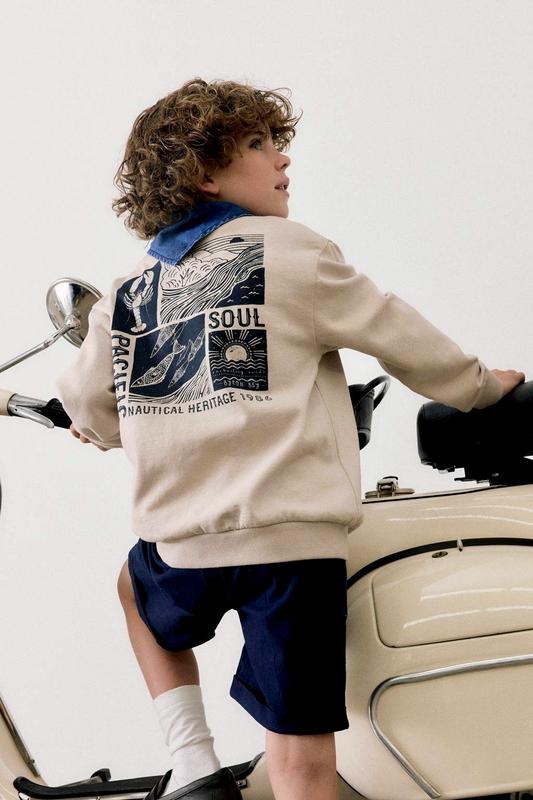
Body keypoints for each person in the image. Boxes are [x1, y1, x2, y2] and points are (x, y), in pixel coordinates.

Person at [57, 77, 526, 800]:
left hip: (184, 546)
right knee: (302, 755)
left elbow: (89, 404)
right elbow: (402, 337)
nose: (281, 158)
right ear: (203, 173)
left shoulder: (132, 289)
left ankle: (193, 762)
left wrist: (106, 430)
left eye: (276, 142)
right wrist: (481, 387)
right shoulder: (292, 252)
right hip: (291, 546)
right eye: (257, 144)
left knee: (133, 589)